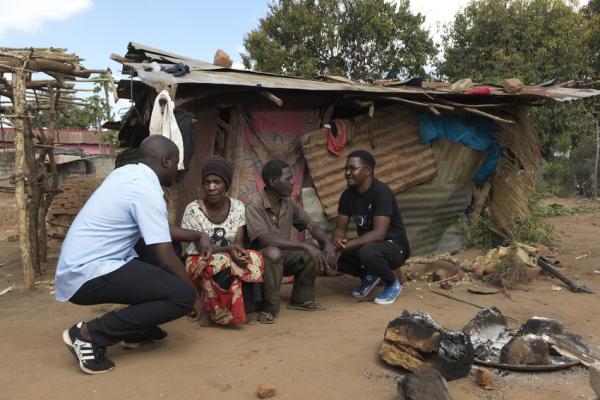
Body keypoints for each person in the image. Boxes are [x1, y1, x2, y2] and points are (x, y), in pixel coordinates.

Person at [55, 135, 211, 375]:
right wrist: (194, 296)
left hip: (80, 266)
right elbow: (165, 257)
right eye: (178, 162)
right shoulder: (146, 190)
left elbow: (157, 229)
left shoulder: (127, 176)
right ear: (167, 160)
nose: (178, 170)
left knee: (152, 248)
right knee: (180, 294)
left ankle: (137, 329)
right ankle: (88, 334)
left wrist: (196, 235)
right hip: (86, 275)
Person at [245, 159, 336, 324]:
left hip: (282, 256)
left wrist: (327, 243)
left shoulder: (288, 202)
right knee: (274, 252)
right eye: (288, 178)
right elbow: (264, 239)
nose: (293, 182)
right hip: (258, 261)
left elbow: (311, 225)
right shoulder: (255, 203)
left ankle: (301, 299)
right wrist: (303, 244)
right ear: (273, 182)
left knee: (313, 247)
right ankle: (269, 307)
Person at [181, 156, 265, 326]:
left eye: (217, 182)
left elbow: (239, 241)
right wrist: (230, 251)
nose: (211, 187)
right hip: (199, 260)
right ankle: (212, 312)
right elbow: (203, 250)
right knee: (221, 262)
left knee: (254, 257)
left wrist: (239, 252)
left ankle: (245, 305)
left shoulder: (237, 207)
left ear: (226, 185)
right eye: (207, 182)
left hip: (228, 256)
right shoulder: (193, 209)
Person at [331, 150, 410, 305]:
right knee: (328, 250)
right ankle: (368, 276)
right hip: (369, 246)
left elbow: (379, 234)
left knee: (367, 251)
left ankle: (392, 283)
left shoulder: (381, 192)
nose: (347, 173)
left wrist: (343, 247)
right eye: (346, 169)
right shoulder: (347, 195)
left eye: (352, 168)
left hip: (394, 247)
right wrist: (334, 247)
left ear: (367, 171)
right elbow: (340, 229)